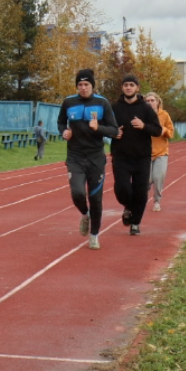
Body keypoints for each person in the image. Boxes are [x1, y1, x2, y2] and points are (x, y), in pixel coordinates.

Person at [58, 69, 119, 250]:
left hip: (95, 157)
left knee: (96, 198)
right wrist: (64, 132)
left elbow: (114, 130)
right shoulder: (69, 102)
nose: (83, 88)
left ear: (92, 86)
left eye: (86, 85)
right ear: (76, 86)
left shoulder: (102, 103)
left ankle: (94, 235)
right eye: (80, 85)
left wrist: (98, 128)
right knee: (77, 192)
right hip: (75, 156)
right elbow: (61, 122)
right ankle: (85, 214)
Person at [110, 75, 161, 236]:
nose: (129, 87)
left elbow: (157, 130)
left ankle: (135, 223)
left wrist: (143, 125)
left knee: (140, 192)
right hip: (121, 156)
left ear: (137, 88)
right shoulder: (114, 108)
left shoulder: (146, 108)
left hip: (142, 157)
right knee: (122, 188)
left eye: (132, 85)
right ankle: (128, 206)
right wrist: (113, 133)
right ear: (122, 88)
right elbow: (106, 127)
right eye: (126, 85)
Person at [144, 92, 173, 212]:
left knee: (158, 177)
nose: (150, 103)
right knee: (147, 179)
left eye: (152, 100)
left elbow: (171, 132)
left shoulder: (164, 115)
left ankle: (156, 201)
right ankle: (142, 200)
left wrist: (164, 130)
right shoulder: (142, 115)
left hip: (161, 152)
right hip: (145, 152)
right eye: (147, 101)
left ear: (158, 101)